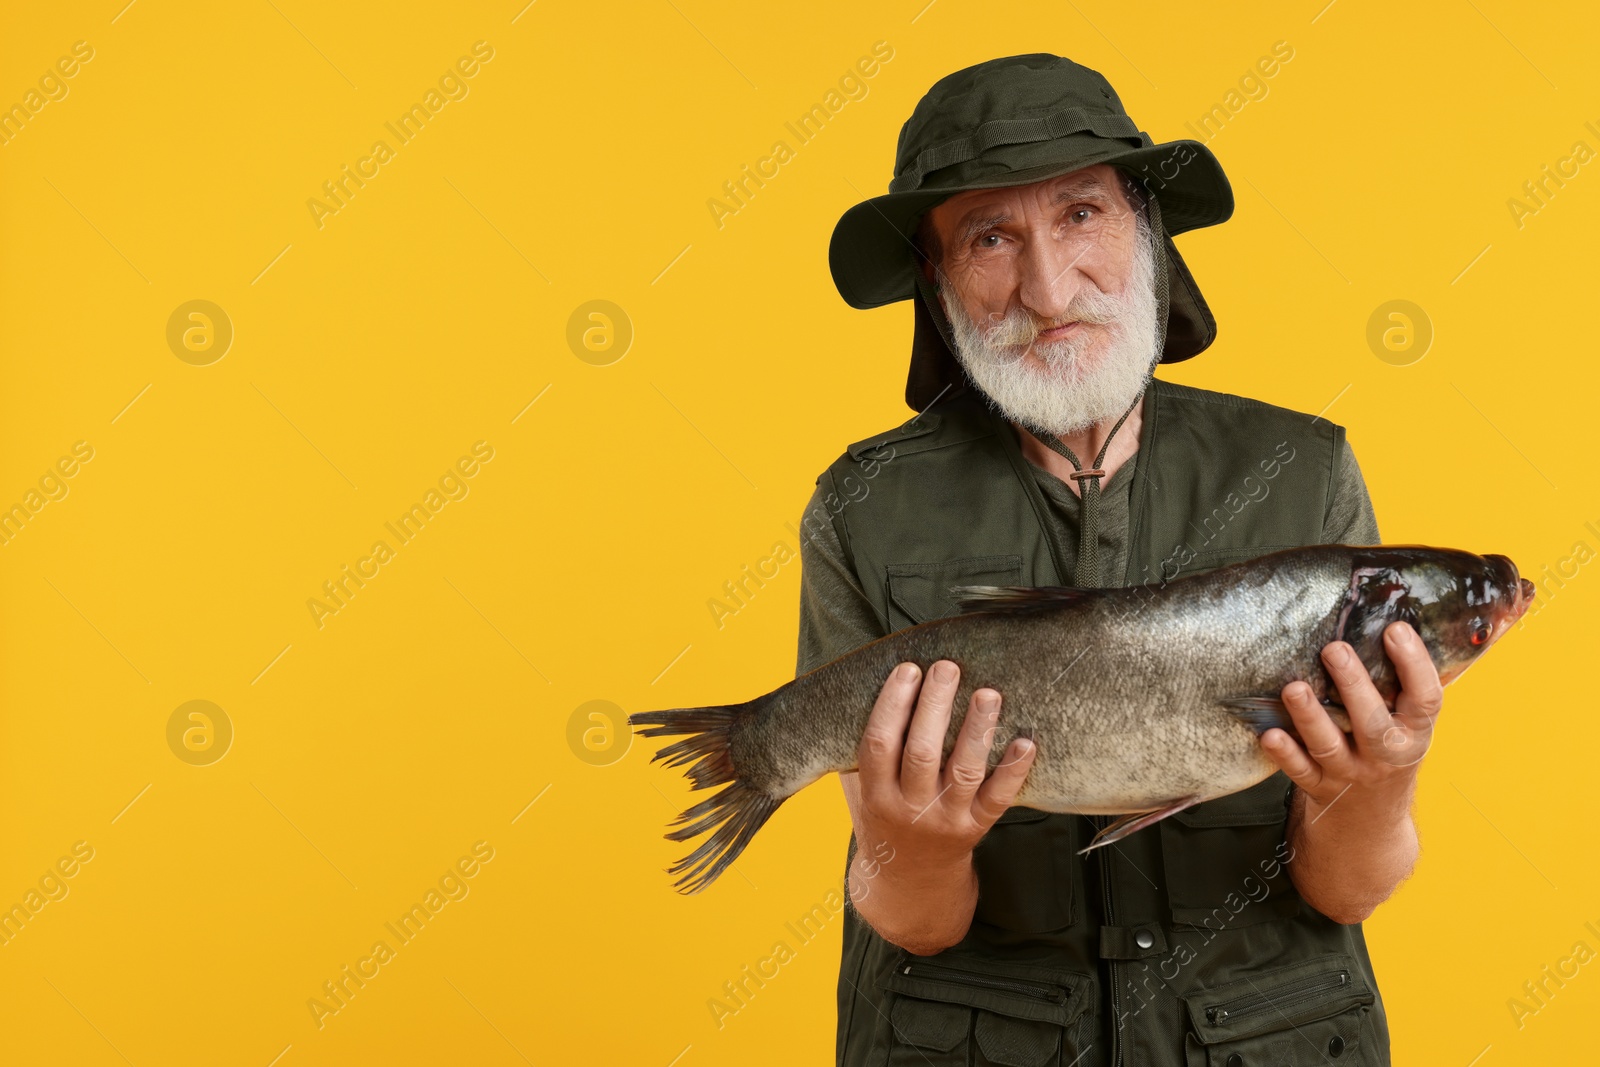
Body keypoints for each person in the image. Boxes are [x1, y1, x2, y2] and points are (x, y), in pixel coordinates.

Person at [796, 53, 1440, 1066]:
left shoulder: (1303, 469)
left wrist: (1376, 785)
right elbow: (913, 919)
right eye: (989, 236)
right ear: (935, 278)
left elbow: (1348, 888)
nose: (1048, 287)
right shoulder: (863, 506)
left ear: (1146, 228)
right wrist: (915, 843)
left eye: (1081, 213)